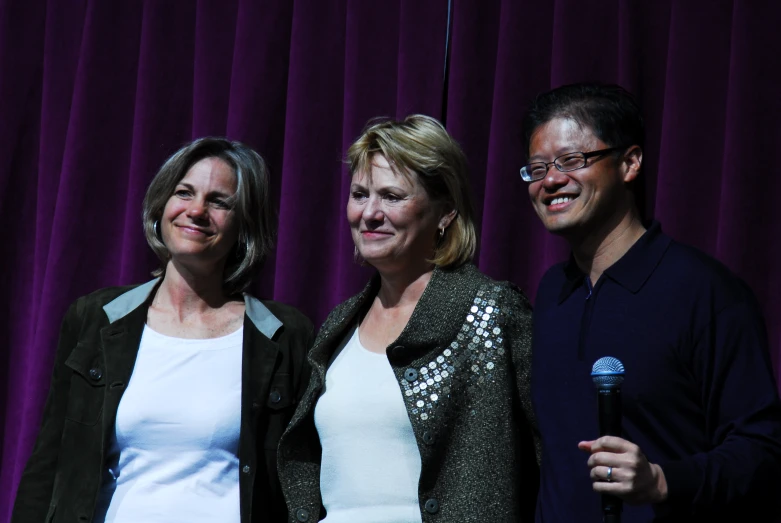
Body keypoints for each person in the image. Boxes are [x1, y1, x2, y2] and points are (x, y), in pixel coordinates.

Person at [11, 137, 313, 523]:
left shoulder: (283, 334)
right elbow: (50, 461)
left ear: (244, 226)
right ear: (162, 205)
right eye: (184, 193)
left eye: (219, 202)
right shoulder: (96, 318)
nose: (197, 210)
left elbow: (300, 475)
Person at [521, 83, 781, 522]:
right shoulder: (551, 294)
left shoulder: (704, 291)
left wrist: (662, 480)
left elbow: (762, 450)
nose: (551, 181)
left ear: (629, 163)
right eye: (537, 168)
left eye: (571, 161)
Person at [277, 114, 539, 522]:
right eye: (360, 194)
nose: (370, 213)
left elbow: (548, 456)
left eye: (392, 196)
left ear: (445, 212)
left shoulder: (492, 313)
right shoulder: (339, 325)